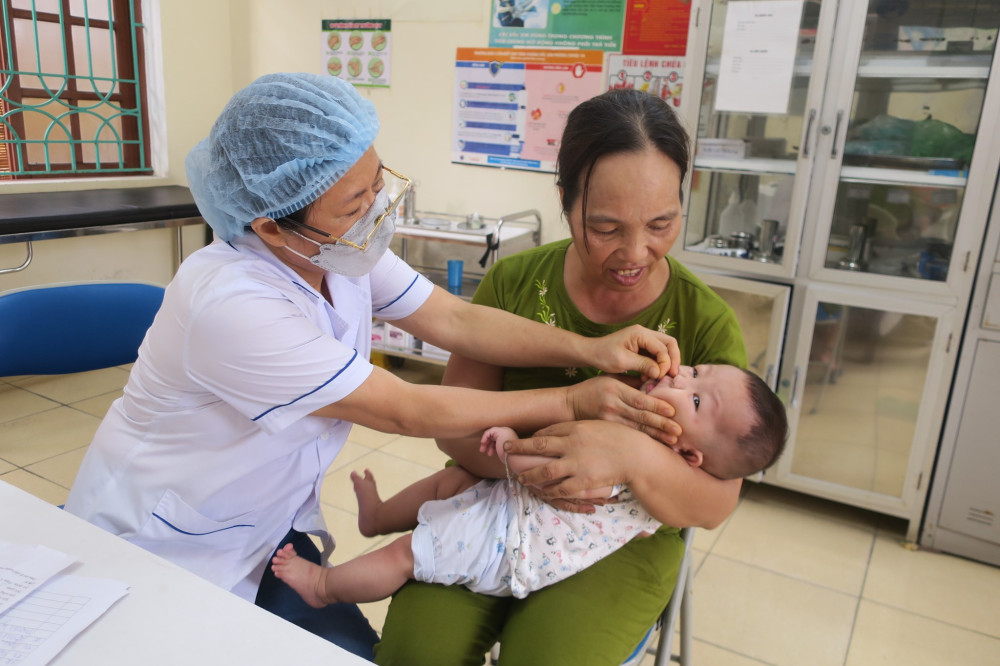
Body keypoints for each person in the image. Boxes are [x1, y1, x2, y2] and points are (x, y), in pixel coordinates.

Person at [63, 74, 689, 660]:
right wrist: (574, 400)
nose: (376, 210)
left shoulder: (335, 249)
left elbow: (456, 319)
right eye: (353, 203)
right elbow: (406, 408)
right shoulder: (231, 305)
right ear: (272, 228)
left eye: (376, 183)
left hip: (261, 530)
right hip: (161, 544)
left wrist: (590, 349)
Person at [374, 88, 753, 665]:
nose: (635, 252)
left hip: (615, 537)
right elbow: (454, 433)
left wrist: (629, 459)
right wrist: (539, 461)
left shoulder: (705, 322)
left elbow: (715, 502)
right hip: (489, 504)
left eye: (661, 223)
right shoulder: (515, 284)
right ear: (565, 201)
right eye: (605, 227)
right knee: (414, 652)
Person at [268, 363, 786, 606]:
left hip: (509, 545)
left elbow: (558, 475)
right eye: (695, 371)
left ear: (690, 455)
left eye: (695, 399)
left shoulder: (642, 479)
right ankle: (378, 516)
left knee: (407, 555)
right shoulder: (639, 430)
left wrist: (513, 447)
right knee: (452, 480)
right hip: (511, 507)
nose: (680, 378)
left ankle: (324, 589)